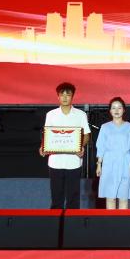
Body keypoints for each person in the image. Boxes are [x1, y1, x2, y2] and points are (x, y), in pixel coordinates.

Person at [41, 82, 90, 210]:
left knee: (73, 198)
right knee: (56, 198)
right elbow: (47, 135)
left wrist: (80, 146)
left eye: (68, 95)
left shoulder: (80, 114)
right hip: (55, 162)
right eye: (62, 95)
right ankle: (56, 222)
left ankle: (72, 223)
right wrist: (43, 147)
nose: (64, 97)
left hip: (74, 161)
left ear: (72, 96)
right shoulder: (51, 114)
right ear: (58, 96)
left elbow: (86, 135)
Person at [95, 97, 130, 210]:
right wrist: (99, 164)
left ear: (124, 110)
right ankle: (110, 221)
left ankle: (122, 221)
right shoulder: (105, 127)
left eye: (119, 107)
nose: (116, 110)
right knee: (110, 197)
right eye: (113, 108)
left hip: (125, 163)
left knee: (123, 197)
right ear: (110, 111)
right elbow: (101, 146)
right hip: (109, 164)